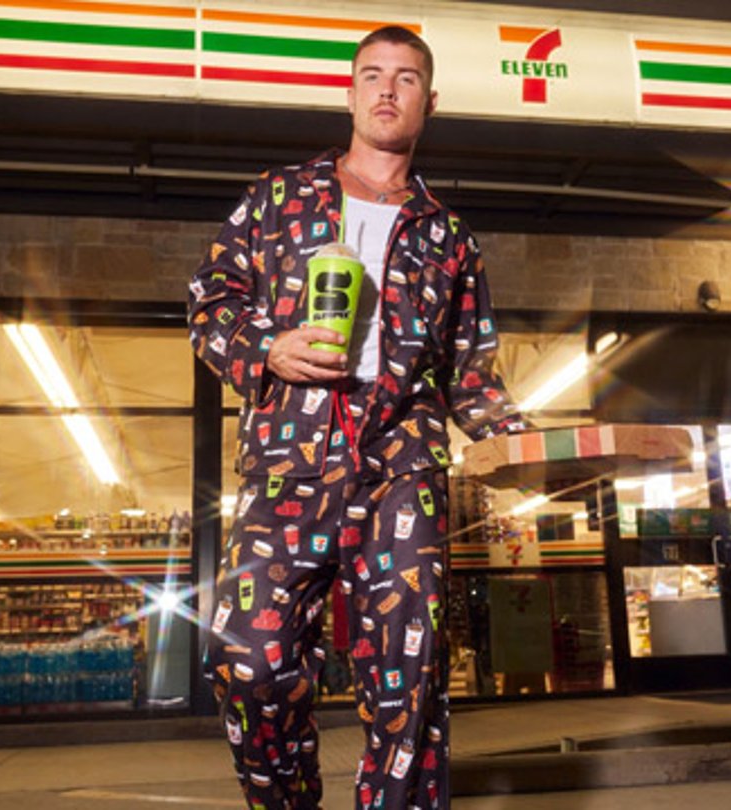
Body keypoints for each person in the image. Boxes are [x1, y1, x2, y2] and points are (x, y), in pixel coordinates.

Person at [188, 25, 527, 810]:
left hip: (402, 469)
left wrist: (529, 446)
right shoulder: (279, 197)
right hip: (288, 461)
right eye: (372, 75)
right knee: (249, 659)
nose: (386, 89)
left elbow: (472, 375)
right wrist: (266, 350)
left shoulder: (449, 236)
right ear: (349, 93)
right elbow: (208, 302)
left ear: (427, 102)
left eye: (405, 78)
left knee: (409, 686)